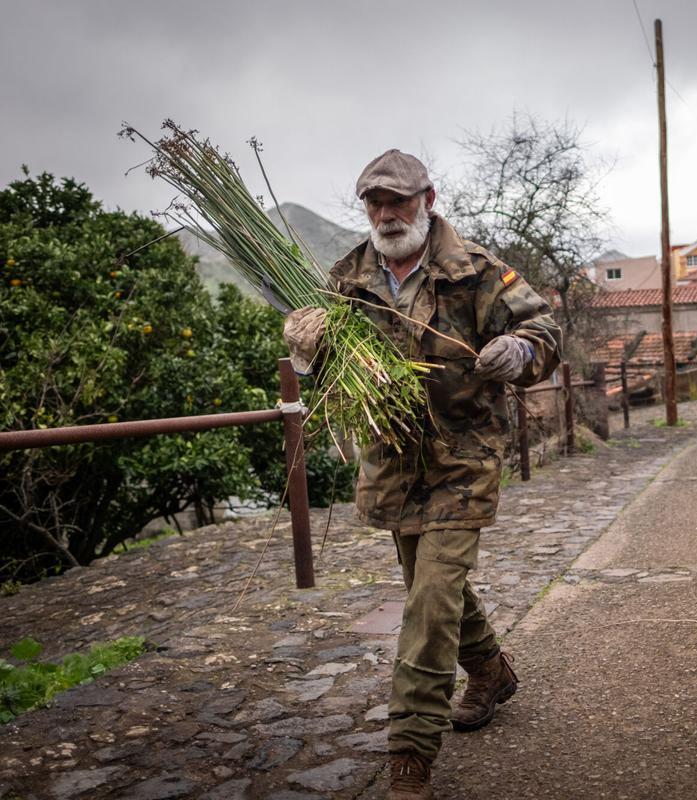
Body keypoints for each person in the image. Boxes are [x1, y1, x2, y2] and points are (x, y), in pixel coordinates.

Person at [283, 150, 562, 799]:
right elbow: (334, 374)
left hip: (462, 457)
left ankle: (411, 752)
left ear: (427, 199)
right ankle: (491, 672)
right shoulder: (348, 275)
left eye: (398, 201)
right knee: (434, 587)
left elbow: (542, 324)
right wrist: (307, 348)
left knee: (429, 604)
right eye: (374, 203)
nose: (385, 214)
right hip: (393, 462)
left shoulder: (477, 270)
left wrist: (521, 350)